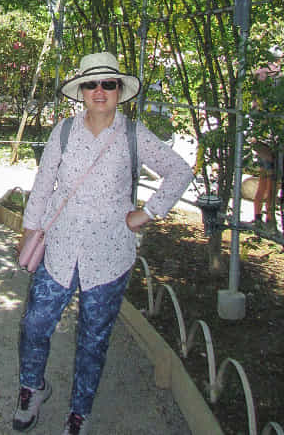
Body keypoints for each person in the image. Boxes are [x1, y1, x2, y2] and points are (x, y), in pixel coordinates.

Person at [13, 52, 193, 435]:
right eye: (91, 84)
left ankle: (79, 412)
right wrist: (30, 230)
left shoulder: (133, 134)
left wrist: (148, 212)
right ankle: (32, 387)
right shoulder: (63, 131)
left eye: (107, 84)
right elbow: (44, 185)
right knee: (34, 325)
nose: (99, 91)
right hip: (60, 247)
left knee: (93, 339)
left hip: (110, 254)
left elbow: (180, 170)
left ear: (118, 91)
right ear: (80, 91)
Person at [252, 140, 276, 228]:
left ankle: (260, 217)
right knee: (270, 192)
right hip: (269, 158)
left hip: (266, 154)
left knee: (265, 190)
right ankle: (267, 219)